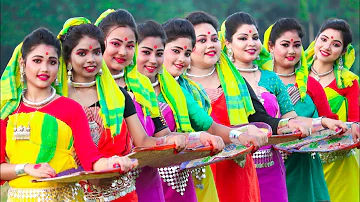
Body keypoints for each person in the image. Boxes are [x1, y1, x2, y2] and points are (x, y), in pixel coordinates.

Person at [137, 19, 271, 202]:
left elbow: (207, 125)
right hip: (142, 179)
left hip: (184, 178)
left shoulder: (178, 92)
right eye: (175, 51)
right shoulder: (124, 93)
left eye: (186, 53)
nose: (181, 59)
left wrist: (239, 136)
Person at [0, 27, 136, 201]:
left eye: (52, 62)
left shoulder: (71, 109)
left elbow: (91, 159)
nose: (45, 69)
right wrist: (25, 168)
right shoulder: (8, 111)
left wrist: (113, 162)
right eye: (37, 60)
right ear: (22, 64)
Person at [58, 17, 186, 202]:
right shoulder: (58, 98)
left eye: (96, 52)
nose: (91, 59)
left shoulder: (118, 96)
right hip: (74, 193)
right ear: (69, 57)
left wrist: (171, 141)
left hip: (119, 193)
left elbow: (142, 140)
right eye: (82, 53)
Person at [96, 9, 191, 202]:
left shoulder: (142, 87)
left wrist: (192, 138)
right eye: (115, 43)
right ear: (100, 43)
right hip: (99, 188)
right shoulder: (87, 89)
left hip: (146, 186)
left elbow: (161, 133)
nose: (123, 52)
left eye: (130, 45)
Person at [263, 17, 351, 202]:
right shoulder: (259, 82)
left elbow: (329, 120)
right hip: (268, 165)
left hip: (304, 169)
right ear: (271, 46)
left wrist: (347, 128)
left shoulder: (310, 85)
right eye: (285, 44)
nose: (291, 51)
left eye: (297, 45)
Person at [305, 18, 360, 202]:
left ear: (343, 51)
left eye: (335, 44)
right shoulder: (294, 76)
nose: (327, 47)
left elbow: (355, 121)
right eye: (324, 39)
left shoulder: (349, 82)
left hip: (339, 164)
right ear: (316, 40)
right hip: (303, 163)